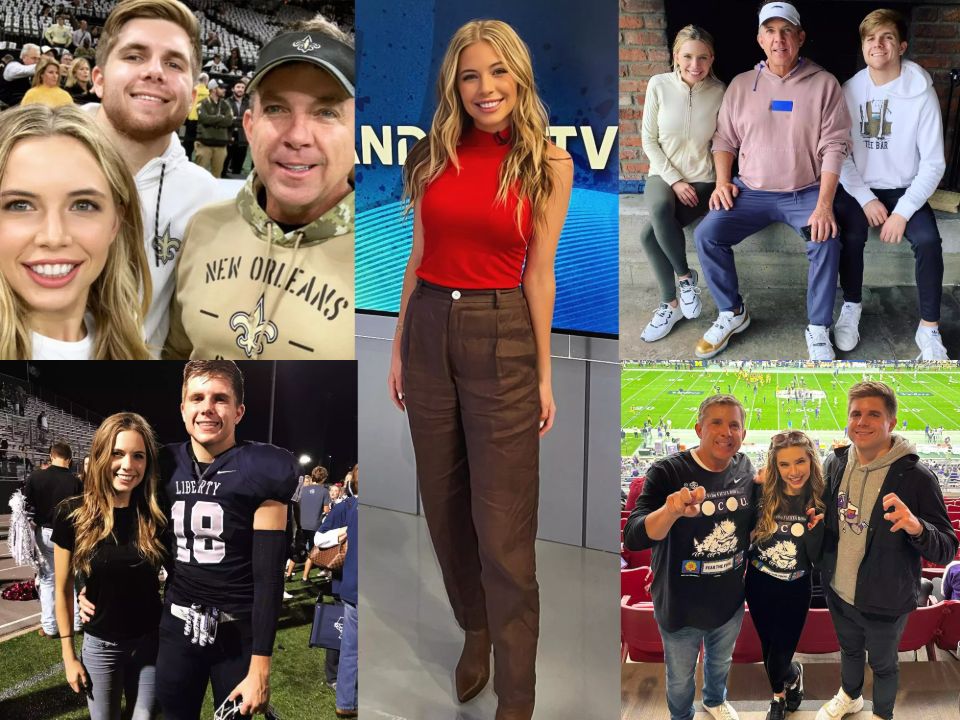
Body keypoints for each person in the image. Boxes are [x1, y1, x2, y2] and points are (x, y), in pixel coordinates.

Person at [388, 20, 573, 719]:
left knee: (503, 528)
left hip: (503, 334)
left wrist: (546, 376)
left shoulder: (548, 164)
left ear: (519, 77)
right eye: (470, 75)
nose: (485, 88)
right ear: (453, 85)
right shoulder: (430, 156)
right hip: (431, 324)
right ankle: (476, 628)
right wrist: (405, 337)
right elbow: (417, 253)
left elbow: (542, 275)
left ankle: (517, 694)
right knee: (443, 510)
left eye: (497, 72)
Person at [164, 16, 355, 360]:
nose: (297, 136)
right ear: (250, 127)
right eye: (276, 108)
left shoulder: (386, 259)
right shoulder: (203, 228)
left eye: (326, 112)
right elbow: (177, 354)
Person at [692, 1, 851, 360]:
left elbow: (835, 146)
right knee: (707, 234)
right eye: (770, 31)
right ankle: (732, 313)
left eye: (786, 31)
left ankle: (818, 327)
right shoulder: (741, 85)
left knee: (826, 239)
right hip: (751, 191)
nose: (778, 39)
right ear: (760, 39)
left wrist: (824, 205)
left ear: (800, 37)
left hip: (805, 192)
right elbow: (724, 140)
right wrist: (721, 182)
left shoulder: (824, 84)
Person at [816, 381, 957, 720]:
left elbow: (947, 549)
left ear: (891, 423)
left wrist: (917, 528)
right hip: (838, 588)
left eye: (873, 414)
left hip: (885, 596)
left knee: (883, 664)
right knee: (849, 650)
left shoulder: (917, 478)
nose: (861, 422)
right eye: (855, 414)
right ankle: (850, 696)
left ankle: (882, 713)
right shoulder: (834, 463)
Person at [89, 0, 220, 353]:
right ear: (98, 79)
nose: (154, 71)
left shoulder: (209, 200)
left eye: (174, 63)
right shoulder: (28, 160)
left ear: (192, 96)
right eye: (134, 56)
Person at [623, 395, 756, 720]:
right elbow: (635, 534)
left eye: (734, 424)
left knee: (719, 663)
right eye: (717, 423)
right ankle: (681, 716)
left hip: (728, 602)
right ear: (699, 428)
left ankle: (714, 700)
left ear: (743, 433)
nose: (727, 431)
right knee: (680, 679)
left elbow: (752, 523)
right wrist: (670, 511)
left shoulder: (745, 466)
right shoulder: (667, 472)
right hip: (680, 605)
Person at [833, 9, 949, 360]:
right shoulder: (849, 91)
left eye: (886, 38)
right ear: (863, 46)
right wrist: (867, 199)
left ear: (901, 46)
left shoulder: (921, 93)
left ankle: (929, 329)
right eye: (870, 38)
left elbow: (933, 163)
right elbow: (840, 155)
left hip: (904, 188)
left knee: (928, 241)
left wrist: (902, 212)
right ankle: (852, 305)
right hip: (860, 187)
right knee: (849, 236)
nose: (877, 45)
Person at [0, 104, 152, 359]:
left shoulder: (132, 340)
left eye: (83, 205)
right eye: (20, 205)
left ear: (116, 222)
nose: (54, 237)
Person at [53, 413, 166, 719]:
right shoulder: (72, 514)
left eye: (138, 456)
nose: (128, 465)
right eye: (118, 453)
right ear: (101, 455)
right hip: (101, 648)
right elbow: (61, 588)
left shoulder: (156, 514)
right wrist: (68, 655)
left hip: (150, 645)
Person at [638, 25, 724, 342]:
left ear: (712, 58)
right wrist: (674, 180)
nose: (695, 65)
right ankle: (685, 280)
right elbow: (648, 139)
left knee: (648, 238)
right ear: (676, 56)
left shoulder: (720, 92)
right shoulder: (658, 85)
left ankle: (669, 303)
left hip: (703, 181)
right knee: (660, 207)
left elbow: (724, 143)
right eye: (687, 56)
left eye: (703, 58)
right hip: (663, 174)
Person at [746, 430, 825, 720]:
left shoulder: (820, 496)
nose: (793, 471)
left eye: (800, 462)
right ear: (774, 466)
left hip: (796, 585)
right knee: (768, 646)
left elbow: (816, 557)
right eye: (784, 464)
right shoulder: (761, 491)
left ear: (811, 460)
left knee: (781, 651)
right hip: (759, 582)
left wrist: (817, 530)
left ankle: (781, 690)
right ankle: (783, 688)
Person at [24, 441, 82, 639]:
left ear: (51, 456)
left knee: (48, 580)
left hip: (45, 532)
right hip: (69, 533)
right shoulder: (75, 481)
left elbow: (26, 507)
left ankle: (50, 627)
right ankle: (76, 623)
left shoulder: (36, 476)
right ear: (69, 458)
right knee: (70, 579)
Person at [318, 466, 357, 719]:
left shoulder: (352, 506)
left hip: (353, 586)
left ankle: (346, 699)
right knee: (345, 642)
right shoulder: (349, 506)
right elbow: (319, 539)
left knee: (352, 647)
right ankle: (343, 695)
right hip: (349, 584)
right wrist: (342, 533)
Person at [192, 78, 232, 177]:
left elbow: (229, 121)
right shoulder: (202, 102)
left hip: (221, 145)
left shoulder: (225, 104)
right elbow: (204, 119)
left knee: (217, 177)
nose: (224, 90)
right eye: (221, 88)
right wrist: (220, 118)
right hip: (204, 144)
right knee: (198, 176)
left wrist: (213, 119)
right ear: (213, 89)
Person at [225, 80, 249, 176]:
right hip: (229, 136)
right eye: (238, 87)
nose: (240, 89)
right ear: (233, 89)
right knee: (224, 165)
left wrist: (236, 118)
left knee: (238, 167)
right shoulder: (227, 102)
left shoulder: (248, 103)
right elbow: (228, 120)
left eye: (243, 88)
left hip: (243, 137)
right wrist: (242, 119)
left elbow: (251, 119)